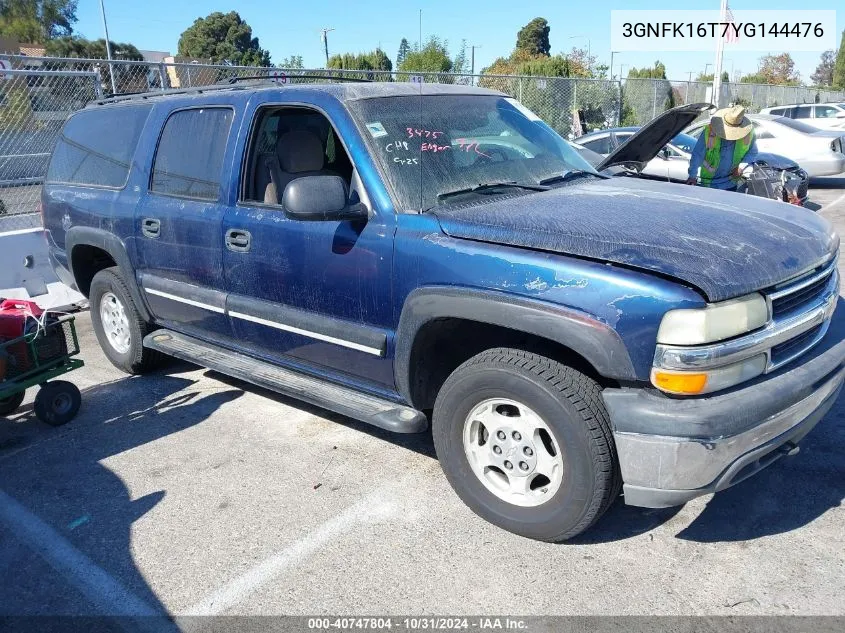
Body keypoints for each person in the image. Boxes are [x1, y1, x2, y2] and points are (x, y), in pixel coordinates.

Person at [686, 105, 758, 191]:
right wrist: (692, 176)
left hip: (731, 183)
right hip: (708, 184)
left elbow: (752, 152)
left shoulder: (748, 134)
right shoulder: (709, 131)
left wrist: (741, 167)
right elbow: (698, 154)